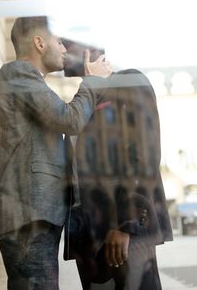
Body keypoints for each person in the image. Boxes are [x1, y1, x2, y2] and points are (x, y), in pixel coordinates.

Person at [0, 16, 112, 290]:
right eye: (59, 41)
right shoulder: (17, 73)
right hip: (27, 215)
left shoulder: (29, 80)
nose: (64, 49)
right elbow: (69, 119)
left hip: (33, 215)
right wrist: (93, 82)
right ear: (39, 43)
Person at [63, 45, 173, 290]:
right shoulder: (83, 100)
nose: (60, 52)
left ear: (84, 53)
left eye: (64, 46)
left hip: (122, 229)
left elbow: (145, 154)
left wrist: (127, 223)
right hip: (88, 234)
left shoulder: (128, 82)